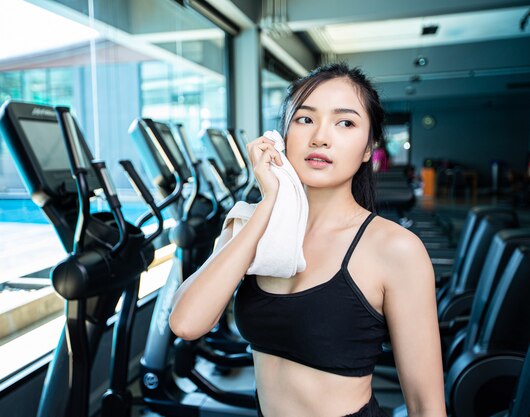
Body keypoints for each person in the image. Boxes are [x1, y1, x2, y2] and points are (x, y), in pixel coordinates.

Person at [169, 63, 445, 417]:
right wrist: (268, 202)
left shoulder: (395, 249)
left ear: (367, 149)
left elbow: (426, 407)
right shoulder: (254, 225)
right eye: (305, 119)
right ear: (280, 136)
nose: (321, 137)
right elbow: (186, 323)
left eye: (345, 122)